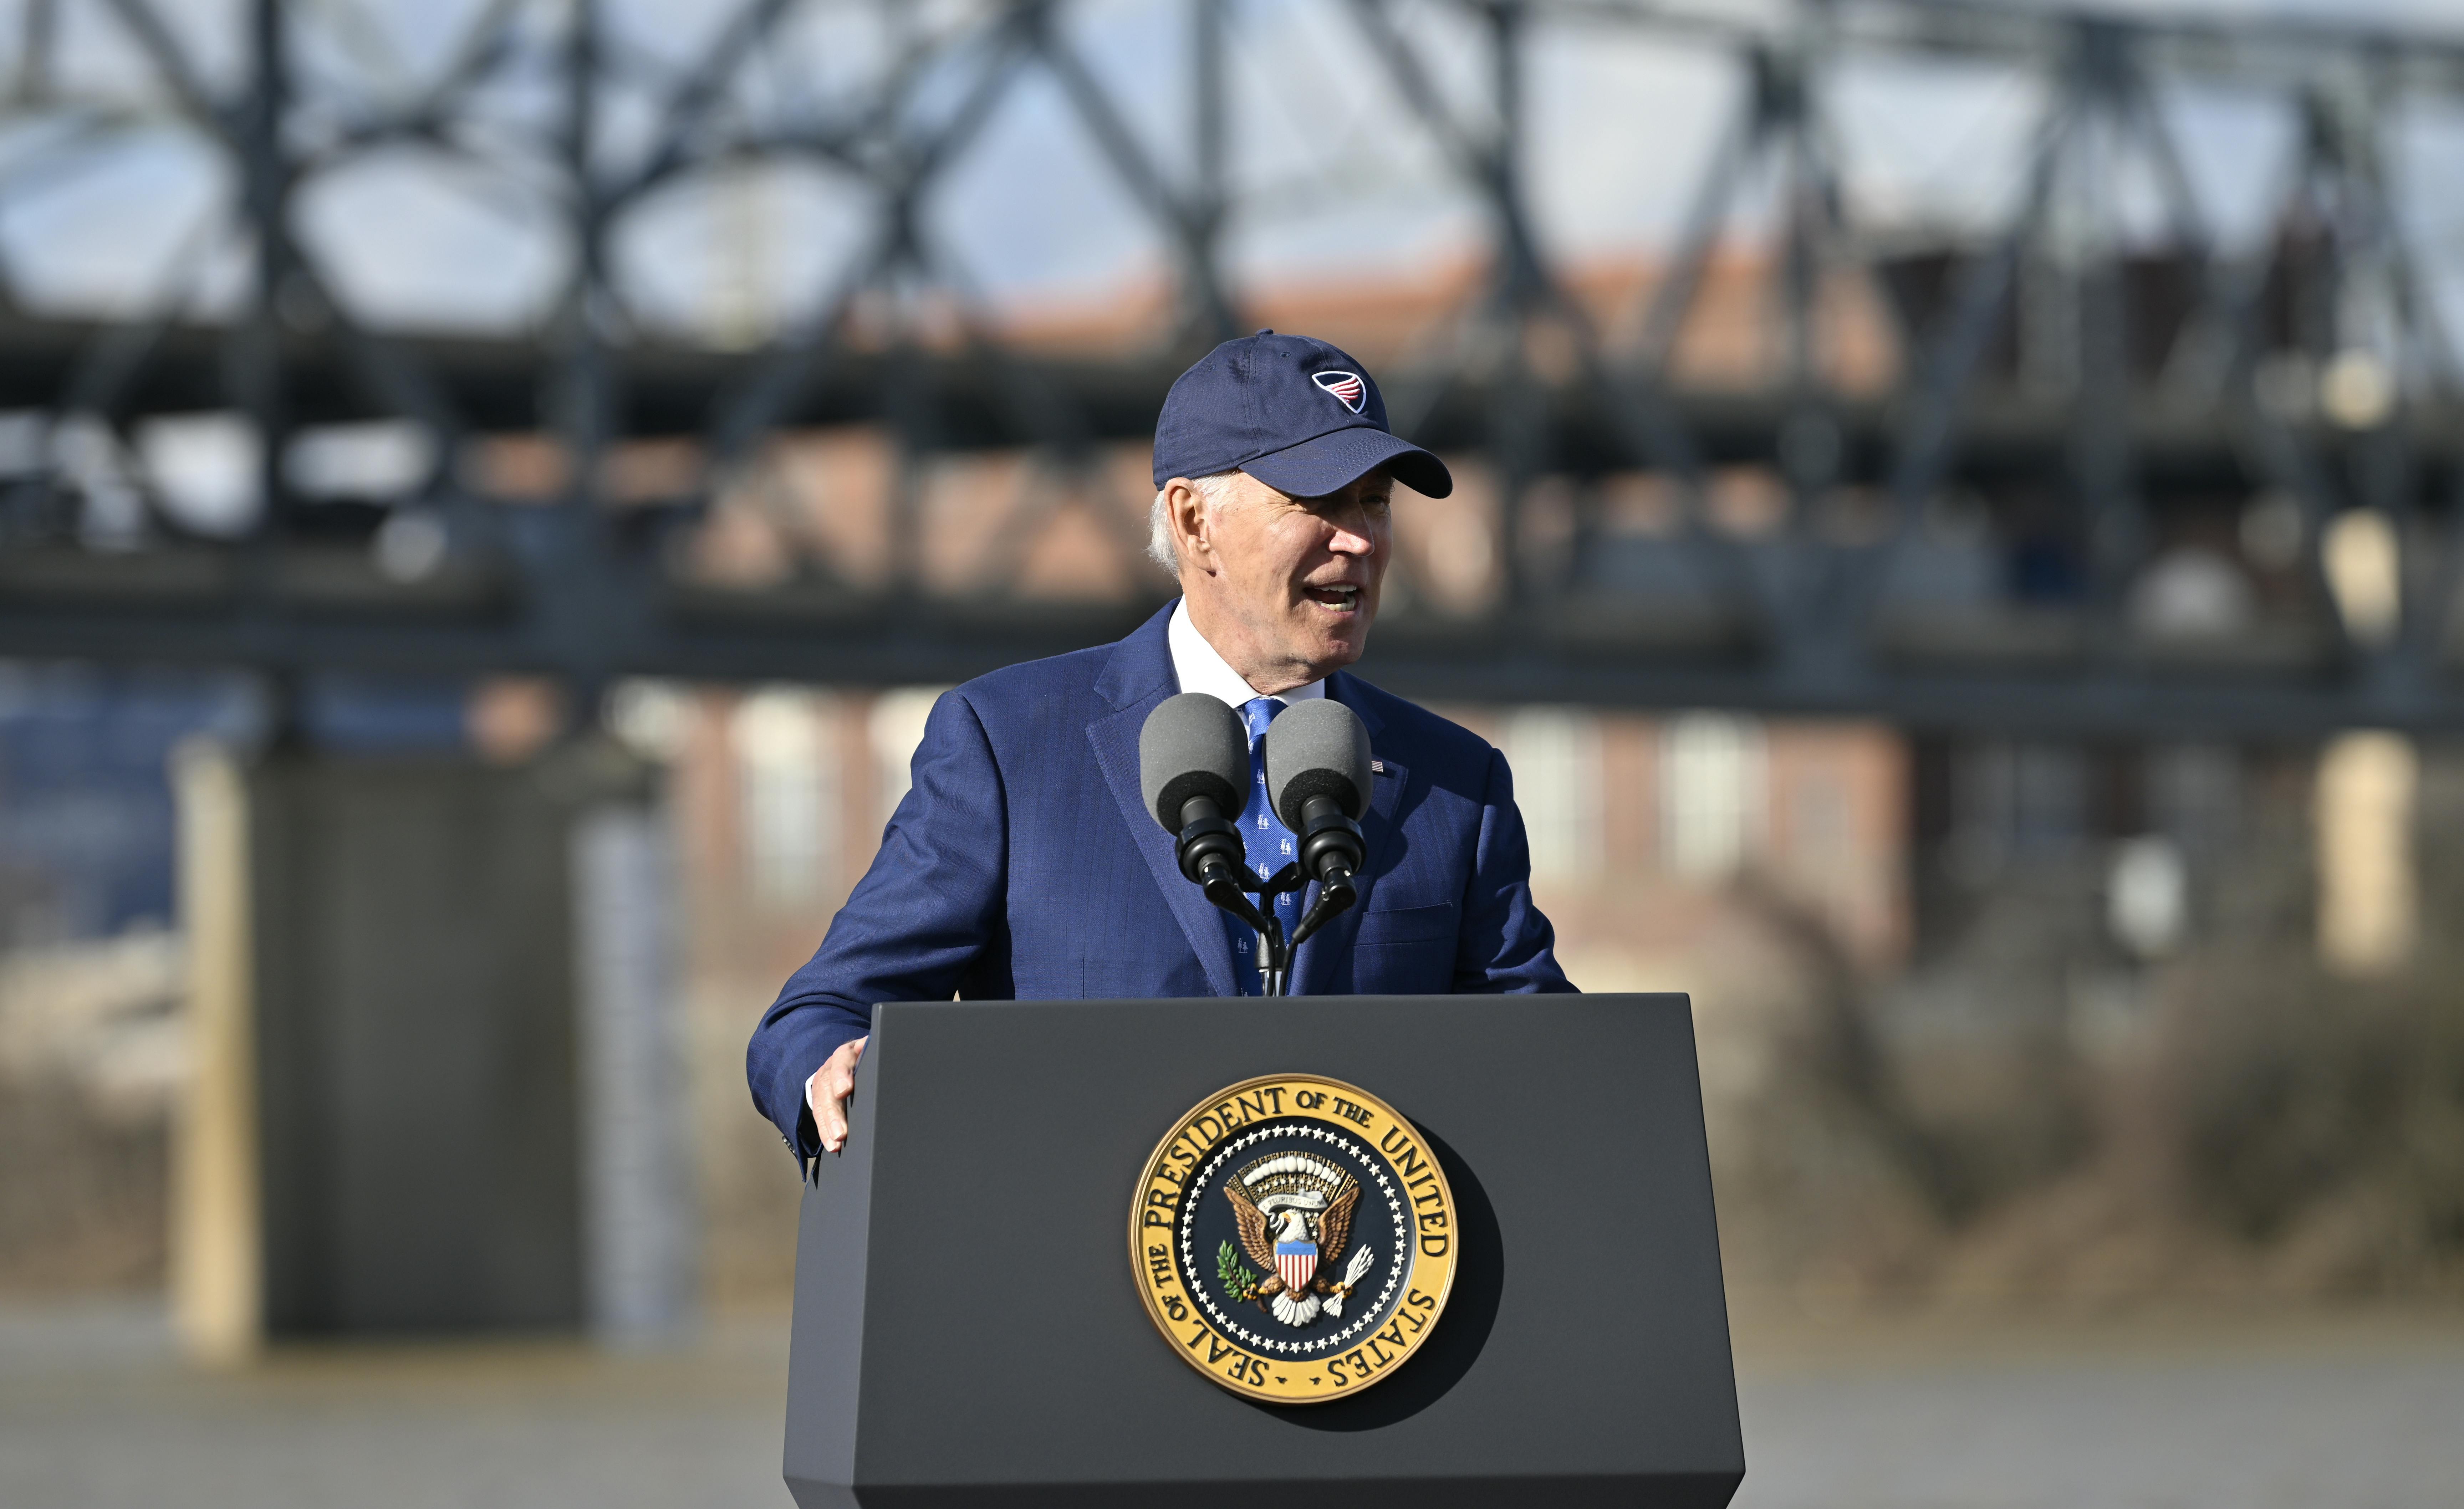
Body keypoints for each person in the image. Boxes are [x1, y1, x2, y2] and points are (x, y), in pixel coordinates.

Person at [746, 330, 1573, 1164]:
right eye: (1317, 504)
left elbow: (1549, 1059)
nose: (1358, 540)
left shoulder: (1455, 783)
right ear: (1192, 520)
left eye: (1373, 503)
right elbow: (823, 1012)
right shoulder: (1007, 743)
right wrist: (831, 1067)